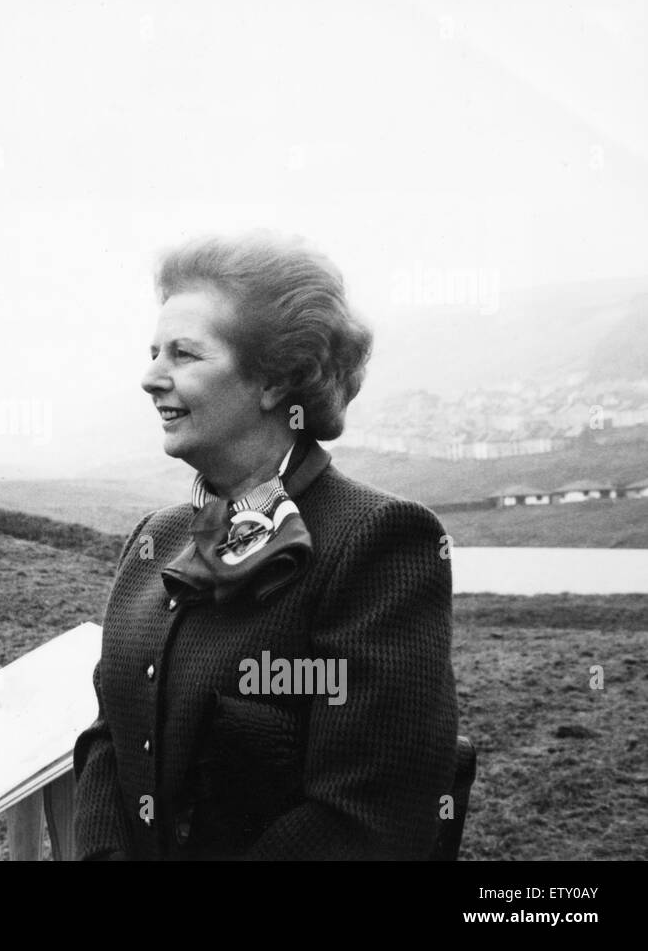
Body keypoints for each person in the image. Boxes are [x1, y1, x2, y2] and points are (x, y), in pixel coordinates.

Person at [73, 232, 459, 860]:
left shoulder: (379, 543)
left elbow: (366, 819)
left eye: (184, 354)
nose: (150, 377)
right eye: (152, 352)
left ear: (277, 380)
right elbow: (108, 738)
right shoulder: (154, 539)